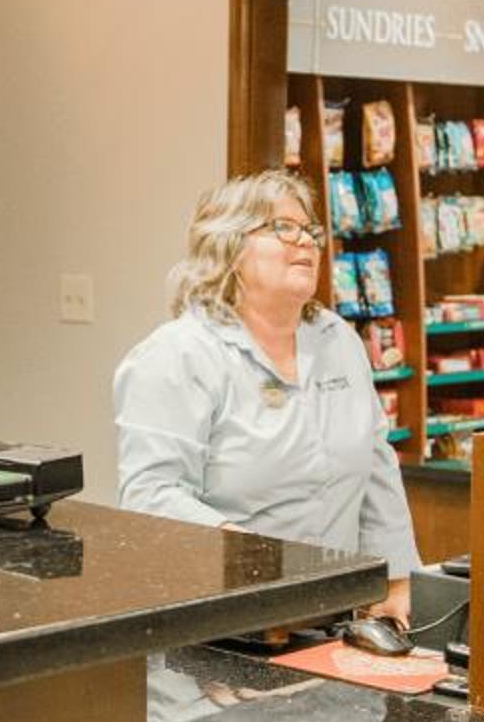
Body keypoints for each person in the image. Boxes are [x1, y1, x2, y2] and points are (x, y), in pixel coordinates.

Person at [116, 170, 417, 623]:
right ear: (229, 246)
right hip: (221, 618)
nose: (307, 241)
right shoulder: (178, 355)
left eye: (310, 229)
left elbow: (376, 465)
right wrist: (256, 561)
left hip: (332, 614)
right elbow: (151, 495)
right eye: (283, 227)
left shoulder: (337, 340)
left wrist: (396, 578)